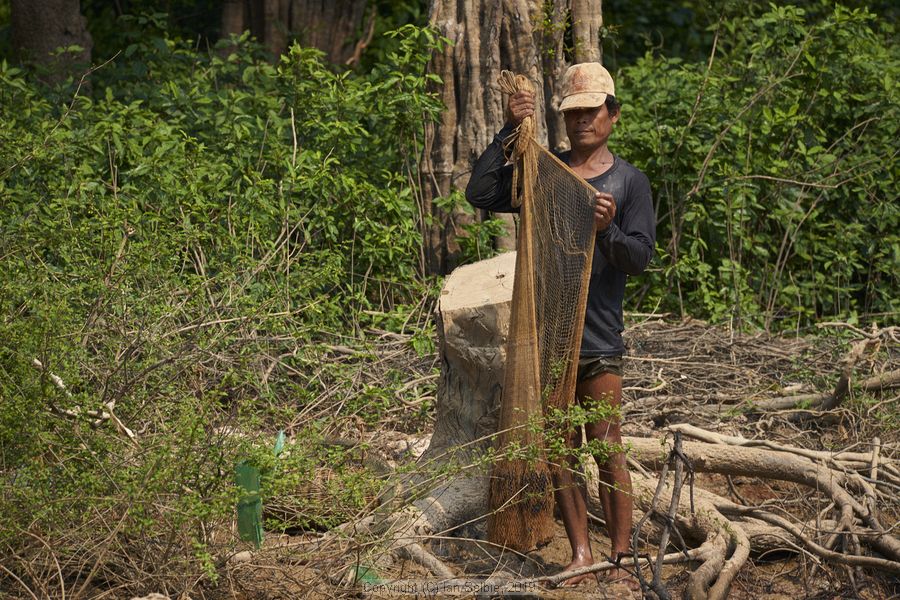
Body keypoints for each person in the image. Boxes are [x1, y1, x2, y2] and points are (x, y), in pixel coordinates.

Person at [465, 62, 656, 588]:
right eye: (572, 113)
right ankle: (580, 554)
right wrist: (509, 129)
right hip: (547, 335)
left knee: (605, 443)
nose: (581, 122)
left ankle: (620, 557)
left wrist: (607, 229)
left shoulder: (629, 182)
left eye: (592, 112)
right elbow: (480, 193)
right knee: (559, 449)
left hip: (598, 337)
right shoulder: (543, 172)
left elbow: (640, 258)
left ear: (612, 116)